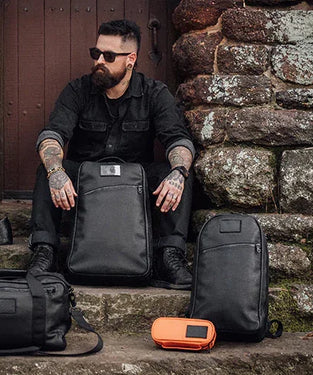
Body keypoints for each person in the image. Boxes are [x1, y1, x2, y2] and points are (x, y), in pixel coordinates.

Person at [25, 19, 196, 290]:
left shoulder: (154, 94)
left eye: (108, 56)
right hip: (84, 183)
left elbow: (179, 141)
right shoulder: (77, 91)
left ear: (131, 59)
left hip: (135, 187)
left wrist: (178, 172)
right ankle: (45, 251)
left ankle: (169, 255)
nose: (98, 62)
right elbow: (53, 136)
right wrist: (56, 171)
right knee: (49, 169)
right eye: (96, 54)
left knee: (174, 173)